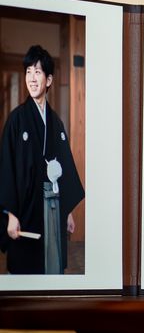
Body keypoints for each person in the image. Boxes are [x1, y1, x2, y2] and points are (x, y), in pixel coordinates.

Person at [0, 45, 85, 274]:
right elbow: (6, 169)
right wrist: (10, 214)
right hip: (25, 210)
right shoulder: (16, 120)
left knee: (52, 264)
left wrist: (67, 210)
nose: (31, 78)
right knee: (26, 270)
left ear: (48, 80)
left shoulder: (56, 122)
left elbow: (64, 165)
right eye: (28, 71)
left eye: (37, 72)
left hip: (53, 206)